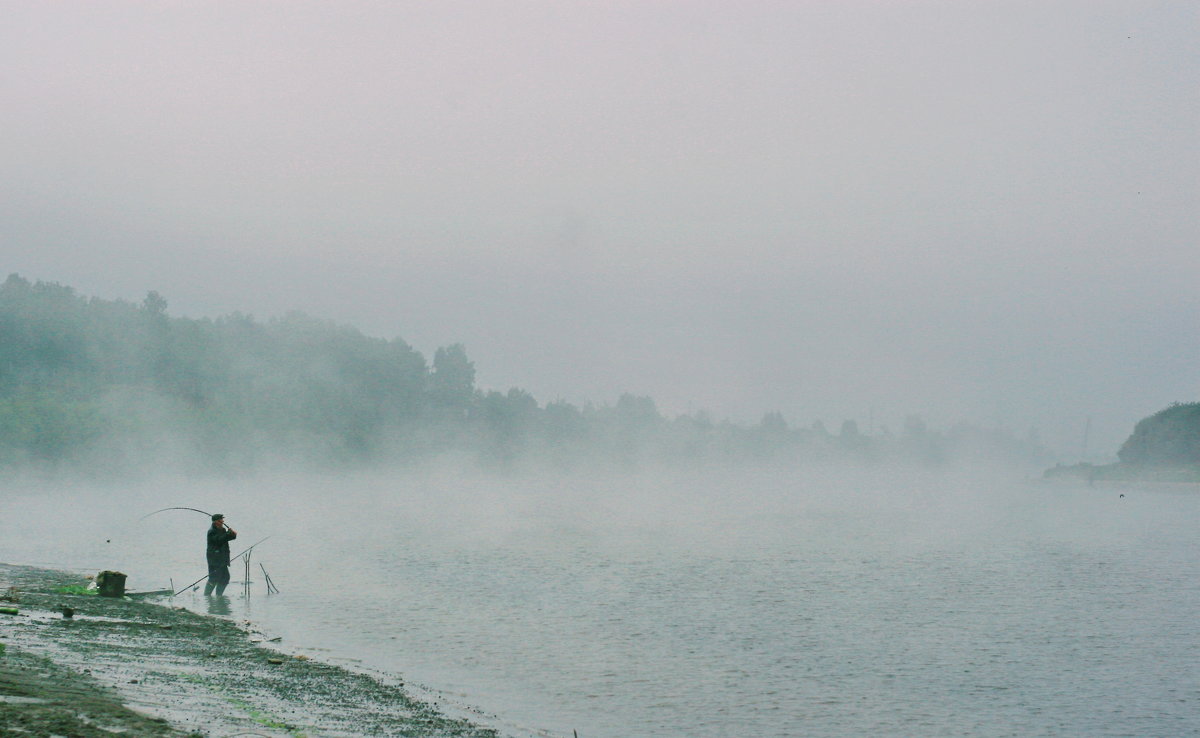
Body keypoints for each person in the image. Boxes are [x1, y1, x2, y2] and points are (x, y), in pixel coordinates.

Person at [204, 513, 238, 596]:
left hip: (222, 558)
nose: (223, 521)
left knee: (225, 578)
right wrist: (227, 534)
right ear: (216, 522)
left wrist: (233, 534)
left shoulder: (222, 530)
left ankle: (218, 596)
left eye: (222, 520)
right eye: (221, 520)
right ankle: (207, 596)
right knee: (213, 578)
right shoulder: (211, 531)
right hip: (214, 559)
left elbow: (226, 538)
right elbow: (218, 540)